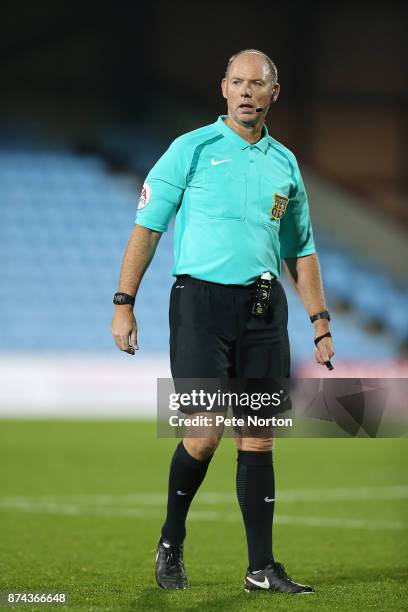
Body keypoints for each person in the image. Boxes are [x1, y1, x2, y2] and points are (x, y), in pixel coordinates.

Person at [111, 48, 334, 595]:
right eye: (237, 82)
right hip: (199, 307)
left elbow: (299, 248)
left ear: (272, 93)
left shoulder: (285, 163)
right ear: (223, 88)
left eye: (256, 84)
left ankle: (261, 567)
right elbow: (148, 228)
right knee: (204, 433)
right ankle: (171, 541)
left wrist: (320, 322)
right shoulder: (190, 149)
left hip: (263, 310)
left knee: (258, 438)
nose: (246, 92)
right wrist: (124, 301)